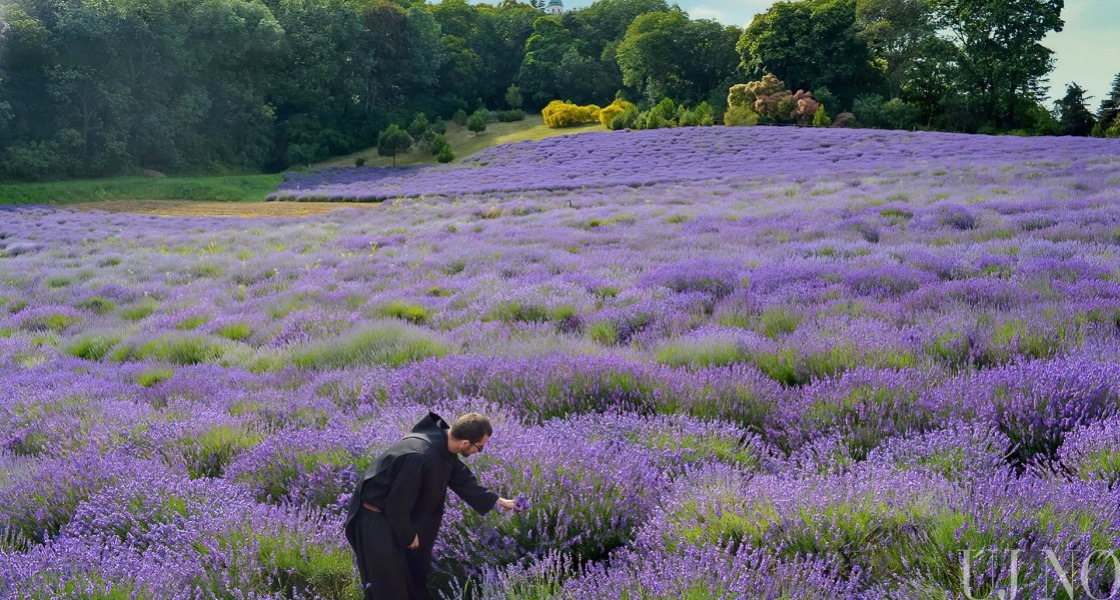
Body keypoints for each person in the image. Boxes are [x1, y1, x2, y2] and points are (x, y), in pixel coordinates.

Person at [344, 411, 520, 600]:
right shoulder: (420, 457)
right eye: (480, 447)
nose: (480, 451)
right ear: (465, 444)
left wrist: (498, 501)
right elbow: (397, 504)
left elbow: (463, 481)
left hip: (394, 517)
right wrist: (409, 534)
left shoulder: (443, 444)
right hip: (375, 520)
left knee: (412, 580)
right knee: (388, 587)